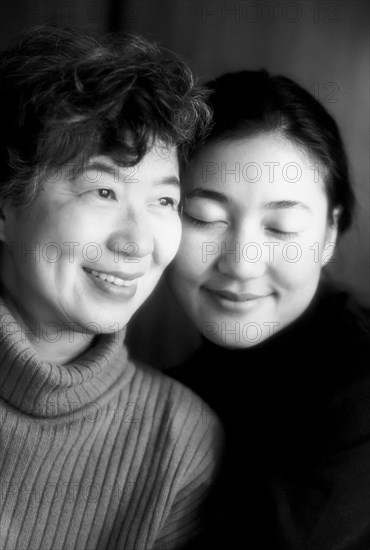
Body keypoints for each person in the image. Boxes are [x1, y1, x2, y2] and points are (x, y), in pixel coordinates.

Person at [0, 25, 223, 550]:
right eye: (103, 190)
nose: (137, 243)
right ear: (6, 205)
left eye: (165, 202)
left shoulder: (181, 439)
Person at [129, 70, 370, 548]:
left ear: (327, 235)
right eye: (204, 219)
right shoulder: (175, 393)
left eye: (280, 228)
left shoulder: (359, 389)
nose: (241, 263)